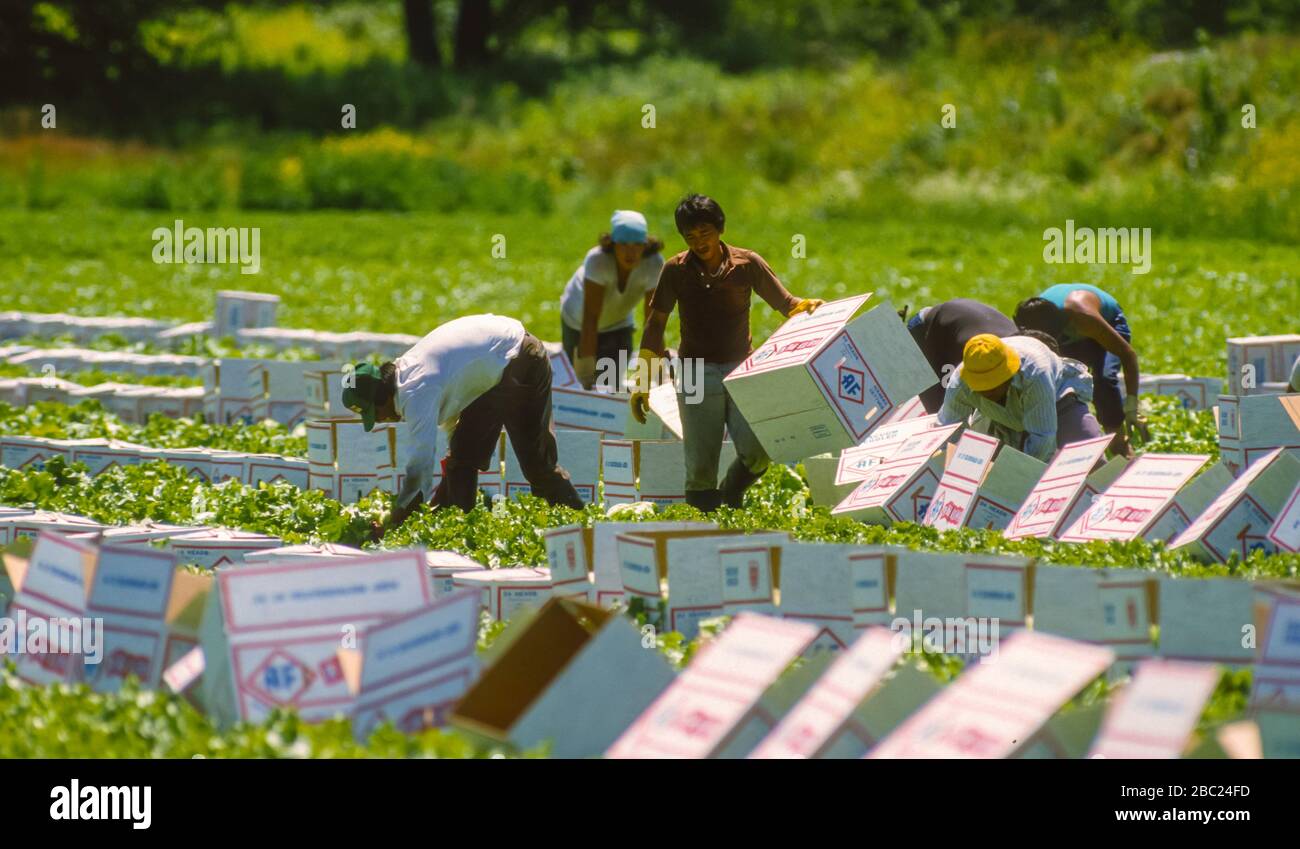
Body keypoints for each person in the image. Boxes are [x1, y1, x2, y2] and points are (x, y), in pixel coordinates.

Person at [628, 194, 824, 511]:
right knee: (701, 466)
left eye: (704, 233)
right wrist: (642, 381)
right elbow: (655, 324)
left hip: (741, 370)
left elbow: (786, 304)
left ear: (719, 229)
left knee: (758, 452)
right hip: (694, 373)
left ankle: (731, 494)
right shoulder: (675, 270)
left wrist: (806, 308)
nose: (699, 242)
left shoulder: (747, 264)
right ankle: (706, 526)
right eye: (690, 236)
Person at [342, 314, 584, 537]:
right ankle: (458, 528)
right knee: (463, 458)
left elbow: (420, 468)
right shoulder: (405, 371)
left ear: (381, 397)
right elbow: (453, 436)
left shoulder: (415, 391)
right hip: (495, 365)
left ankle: (579, 526)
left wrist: (395, 523)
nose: (382, 420)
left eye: (377, 414)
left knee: (536, 463)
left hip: (520, 357)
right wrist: (434, 512)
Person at [1014, 283, 1146, 455]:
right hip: (1066, 326)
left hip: (1106, 321)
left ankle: (1119, 445)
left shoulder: (1084, 318)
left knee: (1104, 379)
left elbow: (1128, 355)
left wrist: (1131, 406)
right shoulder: (1030, 321)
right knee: (1058, 380)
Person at [938, 334, 1101, 462]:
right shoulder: (960, 382)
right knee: (996, 476)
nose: (988, 392)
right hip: (1002, 419)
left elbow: (1042, 438)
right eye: (982, 386)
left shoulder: (1036, 372)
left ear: (1009, 372)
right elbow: (950, 432)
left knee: (1088, 458)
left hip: (1059, 400)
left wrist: (1022, 479)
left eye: (994, 385)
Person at [559, 210, 665, 389]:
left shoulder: (653, 264)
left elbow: (652, 322)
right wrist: (585, 376)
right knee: (577, 384)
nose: (629, 252)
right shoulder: (598, 260)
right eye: (623, 244)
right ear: (612, 244)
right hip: (578, 322)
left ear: (645, 245)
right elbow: (590, 318)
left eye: (637, 245)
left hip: (618, 323)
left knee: (609, 385)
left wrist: (657, 374)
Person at [904, 298, 1018, 414]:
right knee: (938, 410)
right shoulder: (976, 355)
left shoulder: (1020, 362)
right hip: (924, 328)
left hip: (959, 322)